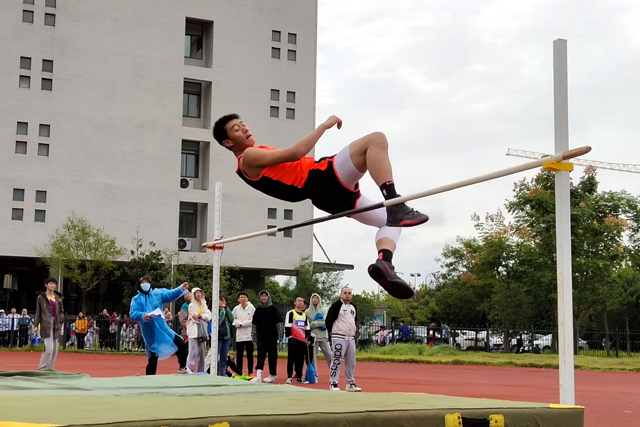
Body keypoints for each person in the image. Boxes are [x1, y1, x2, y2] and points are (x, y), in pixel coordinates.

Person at [213, 114, 429, 300]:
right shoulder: (248, 157)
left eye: (243, 124)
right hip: (320, 178)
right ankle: (394, 201)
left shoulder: (247, 165)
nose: (244, 128)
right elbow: (296, 153)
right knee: (376, 139)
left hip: (327, 197)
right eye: (236, 129)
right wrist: (324, 126)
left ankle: (385, 263)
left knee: (390, 222)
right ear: (228, 142)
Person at [129, 275, 190, 375]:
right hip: (150, 333)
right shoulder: (136, 299)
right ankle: (149, 379)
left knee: (181, 344)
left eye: (147, 282)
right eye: (143, 282)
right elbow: (133, 313)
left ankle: (182, 368)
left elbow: (170, 294)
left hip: (163, 329)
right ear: (139, 284)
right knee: (153, 358)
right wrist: (143, 316)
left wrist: (180, 289)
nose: (145, 284)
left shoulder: (157, 293)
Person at [326, 286, 361, 392]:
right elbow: (328, 320)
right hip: (339, 337)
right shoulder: (336, 306)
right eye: (345, 292)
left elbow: (355, 321)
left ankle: (350, 383)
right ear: (341, 294)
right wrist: (331, 333)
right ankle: (333, 382)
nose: (347, 295)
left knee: (351, 361)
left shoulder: (353, 307)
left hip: (350, 338)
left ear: (352, 295)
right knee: (337, 359)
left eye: (349, 293)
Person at [250, 290, 283, 383]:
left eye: (265, 296)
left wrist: (280, 337)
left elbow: (279, 323)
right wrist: (253, 336)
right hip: (261, 337)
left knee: (272, 357)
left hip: (272, 337)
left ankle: (273, 375)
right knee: (260, 355)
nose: (263, 297)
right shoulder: (258, 310)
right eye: (262, 296)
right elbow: (254, 324)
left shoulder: (274, 309)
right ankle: (259, 375)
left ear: (268, 297)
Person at [33, 276, 65, 370]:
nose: (52, 285)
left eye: (54, 284)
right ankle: (42, 368)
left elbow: (61, 311)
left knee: (55, 349)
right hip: (46, 324)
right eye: (50, 283)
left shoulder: (58, 298)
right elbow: (38, 312)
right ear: (46, 285)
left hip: (56, 324)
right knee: (49, 349)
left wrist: (60, 319)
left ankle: (50, 368)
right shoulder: (41, 298)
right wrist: (36, 325)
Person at [284, 296, 311, 385]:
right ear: (295, 302)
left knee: (300, 359)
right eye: (298, 301)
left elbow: (307, 328)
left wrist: (308, 338)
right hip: (293, 339)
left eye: (302, 301)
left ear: (303, 304)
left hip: (302, 340)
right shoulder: (291, 313)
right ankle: (289, 377)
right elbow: (288, 326)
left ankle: (299, 377)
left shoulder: (304, 315)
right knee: (291, 358)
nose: (300, 303)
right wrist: (290, 337)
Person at [305, 293, 332, 377]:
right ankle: (314, 374)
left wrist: (314, 323)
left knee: (329, 354)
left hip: (323, 336)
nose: (315, 300)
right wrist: (315, 324)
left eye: (317, 298)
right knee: (313, 357)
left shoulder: (323, 310)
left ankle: (333, 371)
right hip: (313, 337)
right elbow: (308, 324)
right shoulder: (307, 312)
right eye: (313, 298)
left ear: (319, 299)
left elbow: (325, 321)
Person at [186, 287, 212, 373]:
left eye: (199, 293)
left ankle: (201, 370)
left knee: (202, 352)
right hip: (194, 331)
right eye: (196, 293)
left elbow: (209, 316)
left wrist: (200, 316)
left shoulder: (204, 304)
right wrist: (203, 316)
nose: (198, 295)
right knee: (193, 351)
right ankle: (189, 369)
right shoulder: (191, 305)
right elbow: (194, 317)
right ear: (193, 295)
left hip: (203, 331)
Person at [232, 291, 255, 377]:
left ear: (247, 299)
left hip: (249, 335)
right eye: (241, 297)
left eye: (245, 297)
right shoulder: (236, 309)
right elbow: (233, 320)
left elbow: (253, 321)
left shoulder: (252, 308)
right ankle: (239, 372)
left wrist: (241, 323)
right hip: (240, 336)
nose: (243, 299)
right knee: (239, 355)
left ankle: (250, 372)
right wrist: (238, 323)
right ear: (238, 299)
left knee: (250, 355)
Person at [217, 295, 234, 376]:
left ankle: (222, 375)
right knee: (215, 357)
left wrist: (226, 309)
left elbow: (232, 319)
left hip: (226, 336)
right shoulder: (214, 310)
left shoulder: (226, 310)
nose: (222, 303)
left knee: (224, 358)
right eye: (220, 300)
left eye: (224, 301)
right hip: (218, 337)